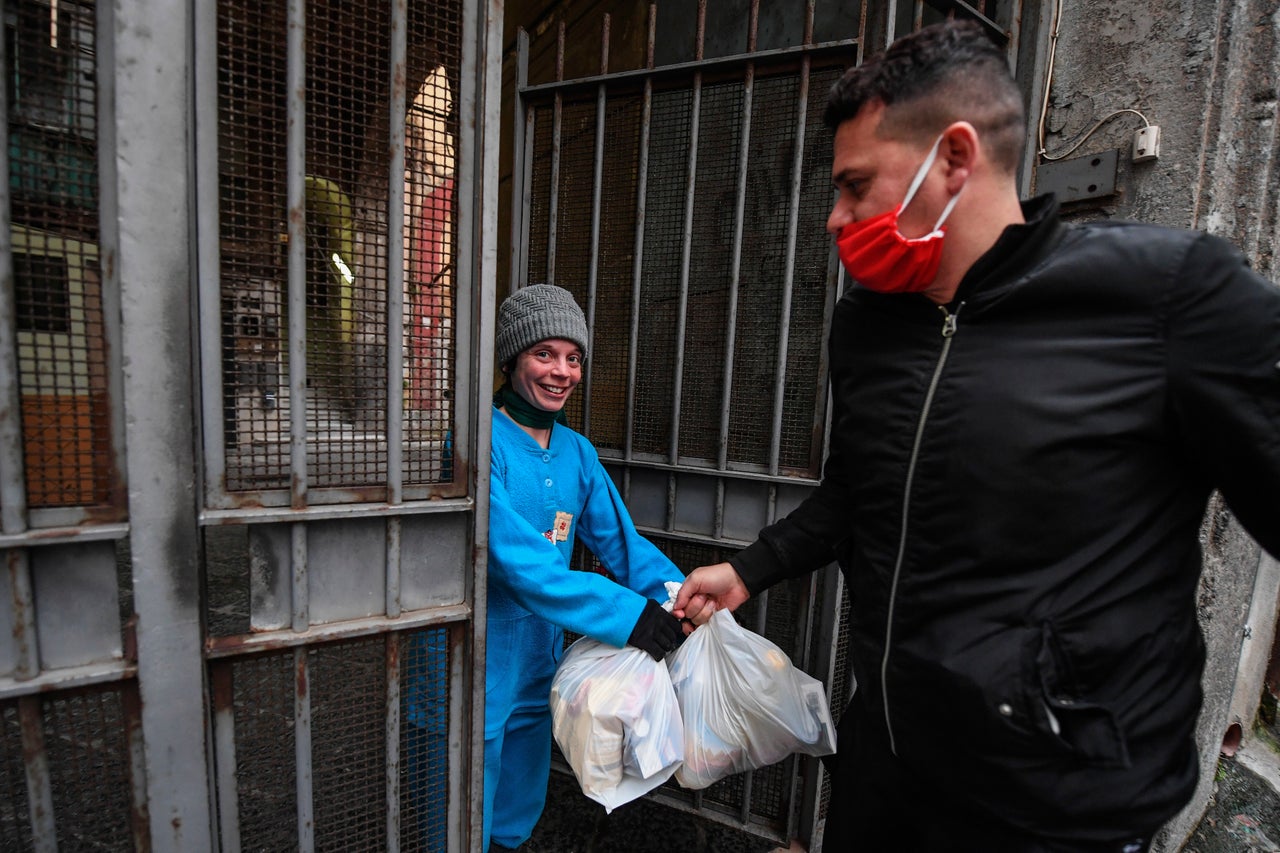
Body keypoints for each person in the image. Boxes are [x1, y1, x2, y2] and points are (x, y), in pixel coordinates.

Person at [674, 19, 1280, 853]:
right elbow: (859, 491)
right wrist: (750, 568)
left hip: (1054, 812)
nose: (834, 216)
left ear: (954, 158)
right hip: (886, 775)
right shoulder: (869, 327)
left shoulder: (1168, 299)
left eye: (855, 186)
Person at [483, 283, 687, 853]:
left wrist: (682, 597)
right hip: (472, 656)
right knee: (460, 801)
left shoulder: (577, 452)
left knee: (517, 806)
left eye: (573, 358)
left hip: (536, 661)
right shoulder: (477, 441)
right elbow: (516, 564)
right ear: (511, 359)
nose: (561, 372)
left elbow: (623, 545)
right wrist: (627, 615)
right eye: (543, 354)